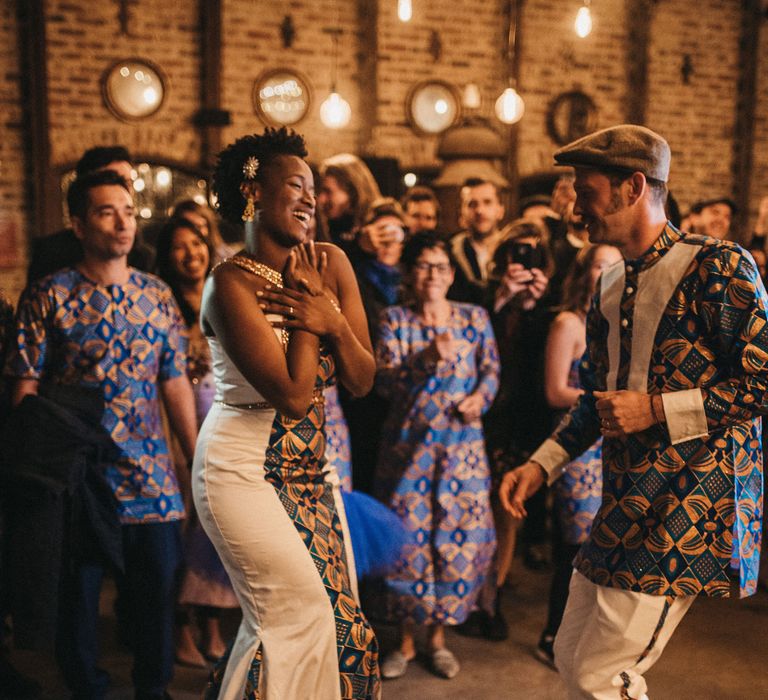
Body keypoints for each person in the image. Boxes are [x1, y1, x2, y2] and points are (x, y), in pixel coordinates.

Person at [500, 124, 766, 699]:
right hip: (621, 503)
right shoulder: (608, 283)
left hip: (687, 511)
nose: (574, 204)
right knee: (572, 656)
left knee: (601, 674)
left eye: (584, 188)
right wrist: (540, 465)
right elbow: (597, 397)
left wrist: (657, 410)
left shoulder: (717, 266)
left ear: (632, 187)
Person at [192, 127, 380, 698]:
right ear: (253, 191)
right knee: (293, 619)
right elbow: (296, 396)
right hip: (241, 471)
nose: (310, 200)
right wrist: (310, 310)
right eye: (295, 185)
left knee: (345, 627)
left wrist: (330, 318)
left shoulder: (333, 263)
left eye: (314, 189)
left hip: (309, 474)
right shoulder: (229, 284)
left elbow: (363, 377)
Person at [7, 169, 197, 700]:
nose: (122, 223)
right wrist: (37, 475)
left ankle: (152, 688)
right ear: (77, 223)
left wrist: (196, 456)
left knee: (159, 592)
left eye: (129, 211)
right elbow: (23, 390)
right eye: (105, 211)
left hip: (152, 476)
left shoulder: (158, 295)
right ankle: (87, 689)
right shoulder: (48, 295)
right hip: (80, 479)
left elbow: (175, 380)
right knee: (78, 601)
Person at [374, 232, 499, 681]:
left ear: (451, 274)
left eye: (441, 266)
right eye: (424, 266)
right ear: (409, 273)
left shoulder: (474, 318)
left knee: (454, 540)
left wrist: (479, 400)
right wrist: (426, 357)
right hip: (408, 453)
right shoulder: (395, 320)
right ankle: (404, 643)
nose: (433, 274)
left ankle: (438, 640)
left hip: (461, 456)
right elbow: (384, 382)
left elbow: (490, 371)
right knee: (408, 544)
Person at [154, 218, 239, 668]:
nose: (191, 254)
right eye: (179, 247)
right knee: (184, 528)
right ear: (166, 256)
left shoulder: (222, 296)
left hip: (221, 422)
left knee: (214, 533)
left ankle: (212, 626)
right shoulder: (162, 302)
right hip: (177, 428)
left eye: (197, 244)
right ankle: (182, 629)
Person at [535, 243, 621, 668]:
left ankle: (589, 640)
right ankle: (552, 633)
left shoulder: (620, 322)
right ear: (584, 272)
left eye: (616, 264)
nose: (609, 271)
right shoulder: (568, 322)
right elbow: (555, 392)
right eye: (601, 264)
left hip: (615, 443)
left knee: (607, 545)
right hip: (578, 444)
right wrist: (611, 401)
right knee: (575, 544)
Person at [26, 145, 154, 284]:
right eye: (111, 179)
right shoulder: (51, 256)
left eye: (128, 182)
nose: (122, 189)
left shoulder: (145, 259)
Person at [448, 178, 507, 305]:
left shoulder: (513, 247)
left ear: (500, 210)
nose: (479, 210)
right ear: (461, 213)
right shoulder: (451, 251)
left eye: (487, 202)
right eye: (472, 204)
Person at [317, 153, 382, 254]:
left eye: (328, 191)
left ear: (352, 192)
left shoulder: (381, 222)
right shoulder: (327, 228)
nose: (321, 199)